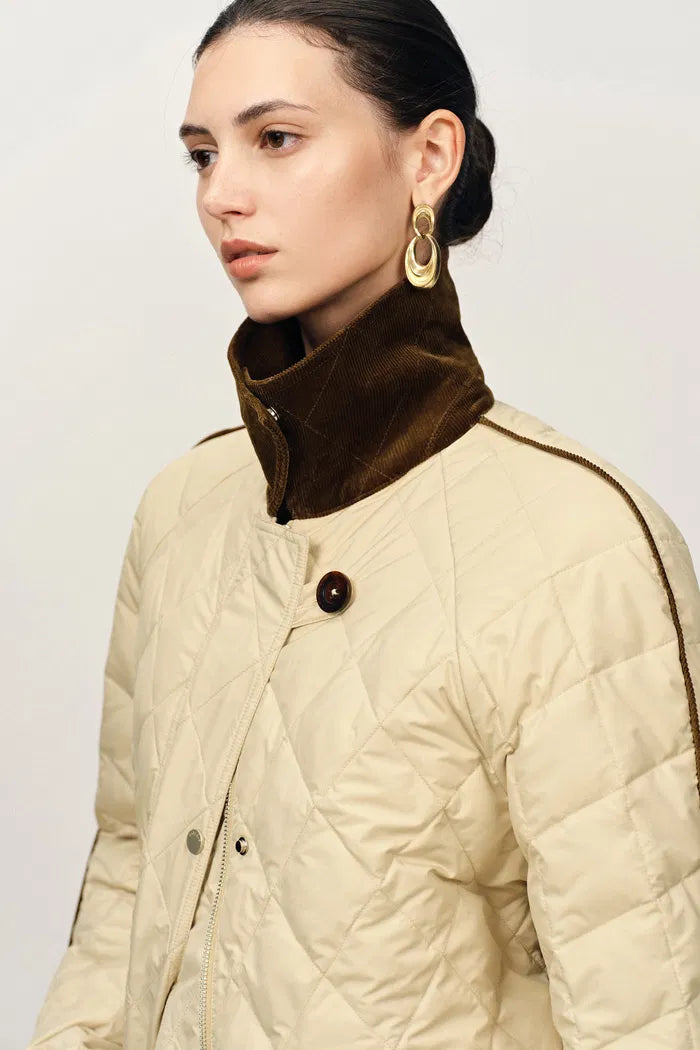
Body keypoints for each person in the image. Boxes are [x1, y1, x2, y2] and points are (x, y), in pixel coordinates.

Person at [28, 1, 700, 1048]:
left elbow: (646, 1004)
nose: (220, 193)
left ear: (429, 157)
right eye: (202, 154)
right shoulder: (182, 510)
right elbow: (126, 873)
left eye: (275, 138)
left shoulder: (579, 545)